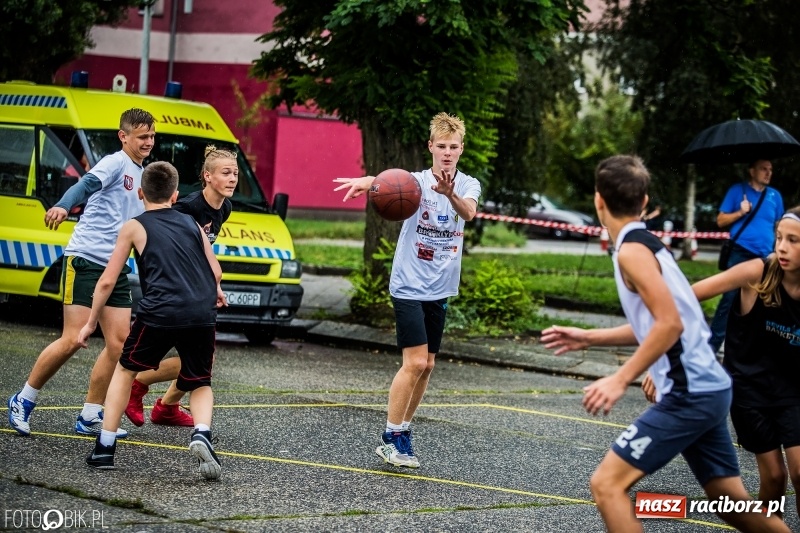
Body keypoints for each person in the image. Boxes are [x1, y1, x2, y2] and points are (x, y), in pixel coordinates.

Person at [540, 155, 789, 532]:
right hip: (709, 388)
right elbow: (664, 322)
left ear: (598, 201)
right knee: (734, 506)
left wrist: (620, 378)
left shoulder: (631, 251)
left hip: (690, 392)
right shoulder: (649, 245)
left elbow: (669, 324)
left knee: (606, 485)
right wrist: (590, 337)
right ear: (644, 202)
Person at [333, 112, 481, 468]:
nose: (447, 152)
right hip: (409, 284)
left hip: (440, 287)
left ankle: (403, 431)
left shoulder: (467, 184)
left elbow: (470, 213)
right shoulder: (414, 182)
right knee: (414, 361)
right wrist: (365, 182)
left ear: (461, 150)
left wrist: (449, 195)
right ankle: (390, 437)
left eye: (454, 147)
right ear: (431, 147)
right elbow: (387, 181)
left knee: (427, 365)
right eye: (441, 146)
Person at [8, 108, 156, 438]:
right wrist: (63, 205)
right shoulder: (115, 163)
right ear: (124, 136)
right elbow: (84, 185)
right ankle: (23, 398)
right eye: (142, 136)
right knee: (74, 338)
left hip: (115, 267)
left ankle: (90, 414)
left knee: (120, 345)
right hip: (86, 259)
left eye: (151, 136)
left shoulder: (141, 172)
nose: (149, 141)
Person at [80, 161, 225, 479]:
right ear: (175, 195)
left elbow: (107, 281)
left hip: (160, 311)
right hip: (201, 311)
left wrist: (91, 322)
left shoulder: (134, 225)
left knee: (125, 369)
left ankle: (105, 448)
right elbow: (215, 270)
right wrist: (216, 291)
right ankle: (202, 433)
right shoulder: (192, 222)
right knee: (200, 380)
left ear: (142, 192)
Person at [685, 206, 800, 521]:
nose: (782, 247)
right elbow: (686, 297)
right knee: (775, 477)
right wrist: (669, 357)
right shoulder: (756, 272)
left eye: (794, 240)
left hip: (792, 388)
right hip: (749, 389)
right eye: (779, 238)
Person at [123, 146, 237, 428]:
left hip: (195, 288)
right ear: (207, 176)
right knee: (190, 356)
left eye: (235, 173)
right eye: (226, 173)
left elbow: (203, 251)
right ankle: (135, 385)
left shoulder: (225, 207)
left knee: (202, 357)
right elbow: (158, 238)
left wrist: (213, 284)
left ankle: (167, 406)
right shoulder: (187, 208)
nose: (233, 178)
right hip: (169, 288)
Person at [708, 159, 784, 354]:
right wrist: (740, 212)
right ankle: (710, 349)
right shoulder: (737, 191)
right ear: (752, 171)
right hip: (740, 252)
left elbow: (779, 225)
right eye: (763, 169)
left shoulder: (775, 196)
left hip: (765, 256)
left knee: (763, 302)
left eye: (770, 169)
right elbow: (720, 220)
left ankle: (750, 349)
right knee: (730, 300)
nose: (768, 173)